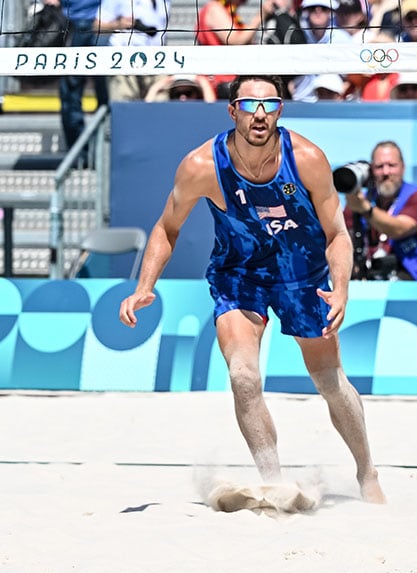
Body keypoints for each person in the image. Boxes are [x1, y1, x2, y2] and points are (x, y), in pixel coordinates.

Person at [118, 75, 385, 504]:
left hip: (303, 275)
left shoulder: (307, 159)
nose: (259, 113)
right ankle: (273, 484)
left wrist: (341, 289)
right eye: (249, 104)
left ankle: (366, 472)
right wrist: (143, 286)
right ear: (232, 110)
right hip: (239, 273)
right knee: (243, 377)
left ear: (280, 109)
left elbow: (337, 233)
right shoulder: (202, 165)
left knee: (331, 383)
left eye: (269, 104)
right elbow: (167, 227)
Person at [343, 141, 417, 281]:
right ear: (371, 171)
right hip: (373, 284)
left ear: (403, 167)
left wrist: (365, 209)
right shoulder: (359, 201)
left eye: (391, 165)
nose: (386, 172)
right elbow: (343, 242)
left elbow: (398, 229)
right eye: (379, 167)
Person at [60, 0, 109, 149]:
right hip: (71, 25)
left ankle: (101, 150)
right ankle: (80, 153)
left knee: (106, 97)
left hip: (104, 25)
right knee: (71, 96)